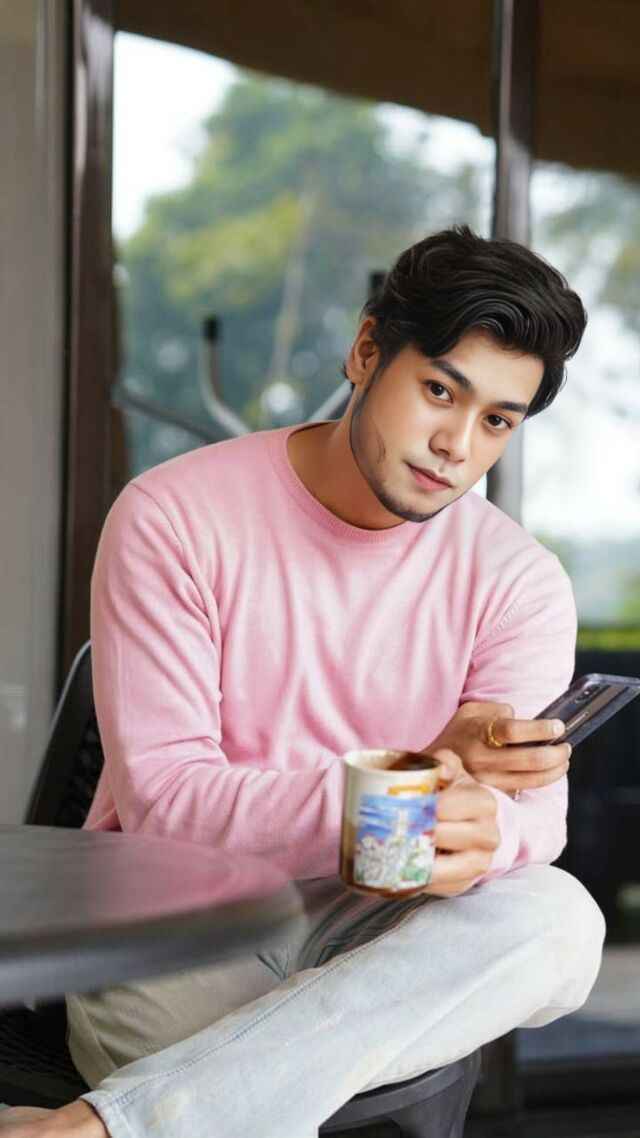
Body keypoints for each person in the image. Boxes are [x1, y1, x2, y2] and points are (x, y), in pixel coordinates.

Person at [2, 226, 605, 1138]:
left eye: (496, 421)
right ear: (366, 351)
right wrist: (403, 783)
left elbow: (532, 829)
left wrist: (489, 828)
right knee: (276, 1072)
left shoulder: (519, 581)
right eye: (440, 391)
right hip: (188, 927)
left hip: (390, 937)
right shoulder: (172, 519)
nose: (455, 445)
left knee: (559, 919)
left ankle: (91, 1127)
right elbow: (166, 808)